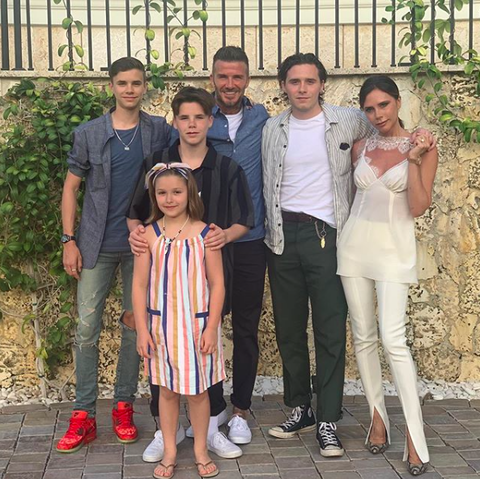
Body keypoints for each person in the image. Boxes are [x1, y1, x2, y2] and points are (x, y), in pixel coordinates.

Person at [262, 53, 434, 458]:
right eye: (294, 81)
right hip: (286, 236)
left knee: (333, 331)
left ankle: (328, 418)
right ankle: (302, 409)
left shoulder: (348, 120)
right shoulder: (272, 128)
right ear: (283, 86)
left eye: (310, 81)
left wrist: (421, 136)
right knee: (291, 329)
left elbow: (394, 134)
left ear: (322, 84)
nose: (302, 88)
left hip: (328, 235)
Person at [129, 46, 269, 460]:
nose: (191, 125)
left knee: (211, 341)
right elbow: (135, 214)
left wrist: (223, 236)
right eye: (184, 118)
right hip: (165, 278)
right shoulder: (157, 164)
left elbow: (246, 218)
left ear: (211, 121)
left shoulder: (226, 168)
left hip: (215, 269)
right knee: (161, 344)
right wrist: (138, 237)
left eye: (199, 118)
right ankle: (165, 429)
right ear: (174, 122)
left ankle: (214, 424)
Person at [56, 57, 170, 453]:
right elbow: (71, 188)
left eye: (136, 83)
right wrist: (69, 240)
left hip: (141, 246)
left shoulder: (158, 130)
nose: (130, 90)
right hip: (96, 245)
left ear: (145, 86)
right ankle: (83, 414)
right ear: (112, 86)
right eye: (123, 83)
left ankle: (124, 406)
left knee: (134, 327)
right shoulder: (89, 133)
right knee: (87, 328)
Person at [337, 75, 437, 476]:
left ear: (397, 102)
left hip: (395, 251)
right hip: (354, 246)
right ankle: (378, 418)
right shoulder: (360, 147)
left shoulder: (422, 145)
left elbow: (418, 206)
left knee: (393, 339)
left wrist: (412, 160)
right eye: (369, 108)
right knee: (363, 336)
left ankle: (415, 436)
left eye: (383, 105)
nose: (377, 114)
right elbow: (354, 197)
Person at [133, 162, 224, 479]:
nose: (169, 199)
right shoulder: (148, 235)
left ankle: (200, 449)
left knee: (198, 393)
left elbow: (217, 284)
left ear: (190, 193)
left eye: (176, 192)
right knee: (167, 391)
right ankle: (170, 450)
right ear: (154, 196)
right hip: (162, 330)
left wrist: (211, 327)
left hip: (197, 328)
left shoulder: (205, 234)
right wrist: (142, 329)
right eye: (162, 193)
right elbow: (139, 285)